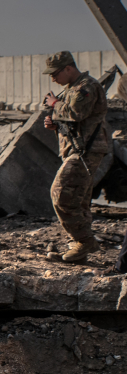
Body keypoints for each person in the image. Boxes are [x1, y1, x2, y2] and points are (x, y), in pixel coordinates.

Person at [42, 50, 109, 263]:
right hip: (74, 149)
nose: (53, 78)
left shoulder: (86, 87)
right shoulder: (70, 89)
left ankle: (83, 240)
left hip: (86, 151)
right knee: (79, 199)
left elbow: (76, 113)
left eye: (55, 73)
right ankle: (78, 247)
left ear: (68, 68)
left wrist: (55, 105)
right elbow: (71, 121)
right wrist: (53, 124)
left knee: (60, 193)